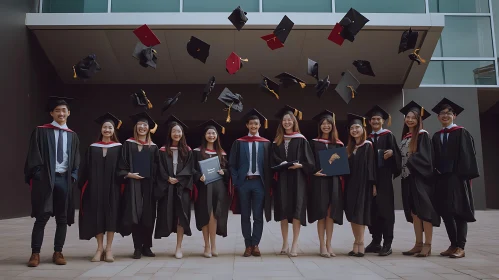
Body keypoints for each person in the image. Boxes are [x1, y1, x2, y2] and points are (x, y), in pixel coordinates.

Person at [24, 96, 80, 267]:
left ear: (68, 113)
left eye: (64, 110)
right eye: (57, 110)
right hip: (46, 179)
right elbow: (33, 155)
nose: (61, 113)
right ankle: (35, 253)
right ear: (51, 113)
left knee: (62, 218)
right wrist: (39, 174)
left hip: (64, 179)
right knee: (42, 216)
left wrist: (73, 176)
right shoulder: (41, 131)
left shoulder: (73, 136)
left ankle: (58, 252)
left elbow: (76, 158)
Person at [431, 98, 479, 259]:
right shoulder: (437, 136)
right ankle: (452, 244)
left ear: (454, 116)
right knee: (446, 213)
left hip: (457, 179)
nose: (445, 116)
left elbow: (468, 156)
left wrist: (462, 177)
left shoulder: (461, 132)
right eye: (442, 113)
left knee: (459, 211)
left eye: (448, 113)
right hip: (442, 179)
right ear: (438, 117)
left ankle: (461, 246)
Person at [78, 113, 123, 262]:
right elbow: (84, 169)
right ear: (101, 129)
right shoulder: (92, 148)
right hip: (95, 188)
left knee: (111, 216)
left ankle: (109, 249)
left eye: (110, 127)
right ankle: (99, 248)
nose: (107, 129)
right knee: (97, 217)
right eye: (105, 127)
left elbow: (122, 169)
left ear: (113, 130)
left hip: (113, 189)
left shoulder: (119, 148)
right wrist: (83, 186)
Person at [272, 105, 315, 257]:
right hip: (283, 180)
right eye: (284, 120)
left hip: (298, 180)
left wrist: (301, 165)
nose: (287, 122)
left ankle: (295, 244)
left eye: (289, 120)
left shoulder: (302, 140)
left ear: (294, 122)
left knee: (297, 211)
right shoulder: (277, 140)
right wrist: (281, 164)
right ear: (281, 123)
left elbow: (310, 162)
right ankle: (285, 243)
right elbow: (273, 160)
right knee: (283, 211)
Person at [229, 108, 273, 257]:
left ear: (260, 125)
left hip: (259, 183)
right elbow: (232, 164)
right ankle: (247, 245)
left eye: (256, 124)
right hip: (244, 183)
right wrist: (236, 182)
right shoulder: (239, 143)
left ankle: (256, 244)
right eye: (251, 124)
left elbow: (269, 165)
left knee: (258, 216)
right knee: (245, 215)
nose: (253, 126)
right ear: (247, 125)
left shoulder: (266, 144)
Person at [399, 101, 440, 258]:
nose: (409, 120)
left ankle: (428, 245)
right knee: (414, 212)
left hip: (420, 179)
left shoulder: (423, 134)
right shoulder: (405, 137)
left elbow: (425, 158)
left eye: (413, 118)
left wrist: (410, 160)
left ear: (418, 120)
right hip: (407, 178)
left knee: (424, 211)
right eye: (407, 117)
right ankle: (418, 244)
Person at [117, 112, 159, 259]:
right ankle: (137, 247)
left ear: (148, 128)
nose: (142, 127)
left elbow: (158, 168)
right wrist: (129, 175)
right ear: (136, 127)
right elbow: (121, 165)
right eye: (140, 124)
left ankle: (147, 246)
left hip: (148, 185)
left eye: (145, 125)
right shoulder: (128, 144)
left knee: (148, 216)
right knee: (135, 215)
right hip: (133, 184)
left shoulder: (154, 147)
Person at [154, 115, 195, 259]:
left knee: (181, 218)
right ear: (170, 134)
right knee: (167, 214)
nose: (177, 134)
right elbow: (158, 168)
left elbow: (190, 169)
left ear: (182, 133)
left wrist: (179, 179)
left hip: (181, 188)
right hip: (167, 188)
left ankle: (179, 247)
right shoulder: (163, 150)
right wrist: (167, 178)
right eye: (174, 131)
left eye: (179, 131)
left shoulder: (188, 150)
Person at [364, 106, 402, 256]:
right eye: (373, 119)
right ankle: (375, 241)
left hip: (384, 180)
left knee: (385, 211)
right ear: (369, 121)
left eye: (378, 119)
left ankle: (387, 243)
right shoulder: (367, 139)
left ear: (383, 121)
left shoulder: (388, 136)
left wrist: (392, 154)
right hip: (369, 180)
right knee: (372, 212)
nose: (375, 121)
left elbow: (397, 157)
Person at [308, 110, 344, 258]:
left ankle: (329, 244)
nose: (326, 126)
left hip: (334, 182)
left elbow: (342, 165)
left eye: (328, 124)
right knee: (322, 213)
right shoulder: (314, 143)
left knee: (330, 214)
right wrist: (313, 171)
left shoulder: (339, 144)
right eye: (323, 124)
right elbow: (309, 161)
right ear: (320, 126)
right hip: (319, 181)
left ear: (332, 126)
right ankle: (322, 245)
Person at [193, 120, 231, 258]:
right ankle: (206, 246)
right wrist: (199, 176)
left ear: (217, 136)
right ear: (205, 135)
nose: (211, 135)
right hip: (204, 187)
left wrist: (224, 172)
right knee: (206, 215)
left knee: (214, 216)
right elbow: (193, 170)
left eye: (213, 133)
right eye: (209, 133)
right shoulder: (197, 152)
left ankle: (214, 245)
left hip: (218, 187)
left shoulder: (222, 152)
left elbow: (228, 170)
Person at [344, 113, 376, 258]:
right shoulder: (349, 148)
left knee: (360, 214)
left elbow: (371, 166)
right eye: (352, 128)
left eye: (357, 127)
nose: (354, 130)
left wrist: (373, 184)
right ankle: (356, 241)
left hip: (363, 184)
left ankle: (360, 244)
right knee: (351, 214)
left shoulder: (368, 145)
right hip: (350, 185)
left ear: (363, 129)